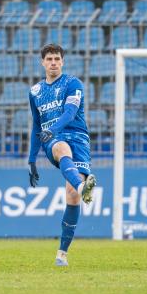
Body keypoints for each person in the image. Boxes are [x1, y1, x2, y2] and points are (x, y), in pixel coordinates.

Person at [28, 43, 97, 266]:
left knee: (72, 196)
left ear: (63, 62)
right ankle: (82, 187)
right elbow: (36, 125)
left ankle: (62, 254)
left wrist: (53, 128)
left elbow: (70, 112)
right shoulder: (35, 92)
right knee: (60, 148)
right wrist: (32, 159)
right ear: (42, 62)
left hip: (78, 138)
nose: (53, 63)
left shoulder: (72, 83)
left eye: (57, 59)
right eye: (49, 59)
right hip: (53, 140)